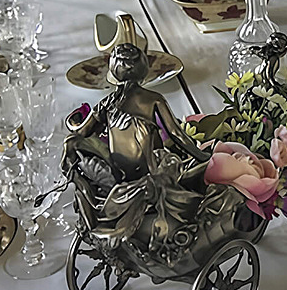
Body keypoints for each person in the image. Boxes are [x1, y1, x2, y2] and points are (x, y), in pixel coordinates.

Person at [62, 44, 209, 257]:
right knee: (177, 163)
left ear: (113, 71)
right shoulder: (153, 100)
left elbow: (82, 131)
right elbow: (177, 135)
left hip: (120, 176)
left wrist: (71, 121)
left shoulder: (107, 103)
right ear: (144, 69)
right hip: (149, 174)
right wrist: (203, 156)